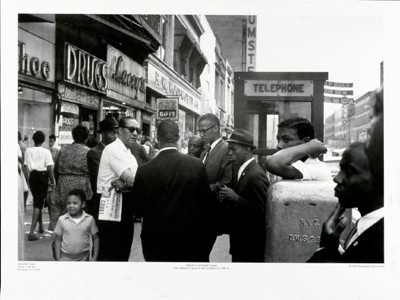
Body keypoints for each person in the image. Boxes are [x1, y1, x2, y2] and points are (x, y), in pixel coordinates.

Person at [308, 87, 384, 263]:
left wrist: (326, 250)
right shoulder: (364, 227)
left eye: (349, 171)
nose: (337, 178)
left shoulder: (382, 242)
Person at [132, 120, 218, 262]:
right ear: (178, 139)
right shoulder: (196, 165)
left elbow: (138, 209)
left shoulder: (144, 170)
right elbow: (206, 205)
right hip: (189, 240)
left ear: (157, 139)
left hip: (156, 241)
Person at [218, 129, 270, 262]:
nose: (230, 153)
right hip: (240, 241)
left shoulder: (256, 175)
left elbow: (263, 212)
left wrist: (236, 198)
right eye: (229, 149)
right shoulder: (242, 168)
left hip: (250, 245)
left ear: (247, 148)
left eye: (233, 149)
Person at [96, 116, 139, 261]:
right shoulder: (114, 149)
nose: (135, 133)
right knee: (111, 254)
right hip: (111, 208)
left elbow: (136, 181)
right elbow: (134, 181)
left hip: (124, 205)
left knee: (122, 252)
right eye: (131, 129)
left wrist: (126, 185)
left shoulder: (128, 153)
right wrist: (129, 184)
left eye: (137, 130)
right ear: (120, 131)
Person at [197, 113, 233, 236]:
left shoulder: (227, 149)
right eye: (199, 131)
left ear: (216, 128)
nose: (201, 135)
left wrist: (203, 189)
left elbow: (227, 181)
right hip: (202, 212)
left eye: (204, 131)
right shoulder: (204, 153)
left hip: (213, 212)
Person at [264, 117, 332, 181]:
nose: (278, 145)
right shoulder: (294, 164)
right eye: (278, 140)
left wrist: (310, 146)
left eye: (286, 140)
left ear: (306, 141)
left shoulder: (316, 168)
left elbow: (273, 163)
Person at [53, 125, 92, 229]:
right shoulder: (89, 152)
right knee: (79, 215)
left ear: (73, 136)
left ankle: (59, 240)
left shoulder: (63, 150)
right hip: (82, 186)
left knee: (63, 214)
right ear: (86, 137)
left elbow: (55, 169)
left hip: (63, 184)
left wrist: (58, 184)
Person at [24, 131, 56, 241]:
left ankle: (41, 226)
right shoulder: (46, 152)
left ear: (33, 139)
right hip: (42, 177)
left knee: (38, 201)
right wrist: (53, 181)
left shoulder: (28, 150)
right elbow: (49, 168)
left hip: (32, 177)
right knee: (38, 203)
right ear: (43, 140)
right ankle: (32, 232)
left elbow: (25, 166)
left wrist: (27, 179)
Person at [87, 116, 119, 221]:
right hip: (101, 198)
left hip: (117, 198)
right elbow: (102, 176)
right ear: (103, 134)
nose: (115, 136)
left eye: (117, 133)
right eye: (112, 133)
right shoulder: (94, 152)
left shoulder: (118, 151)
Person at [54, 189, 99, 261]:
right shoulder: (62, 219)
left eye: (75, 203)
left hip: (84, 258)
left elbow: (96, 238)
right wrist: (58, 258)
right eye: (68, 203)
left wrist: (95, 257)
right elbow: (58, 240)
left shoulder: (89, 219)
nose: (71, 206)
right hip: (65, 258)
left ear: (83, 204)